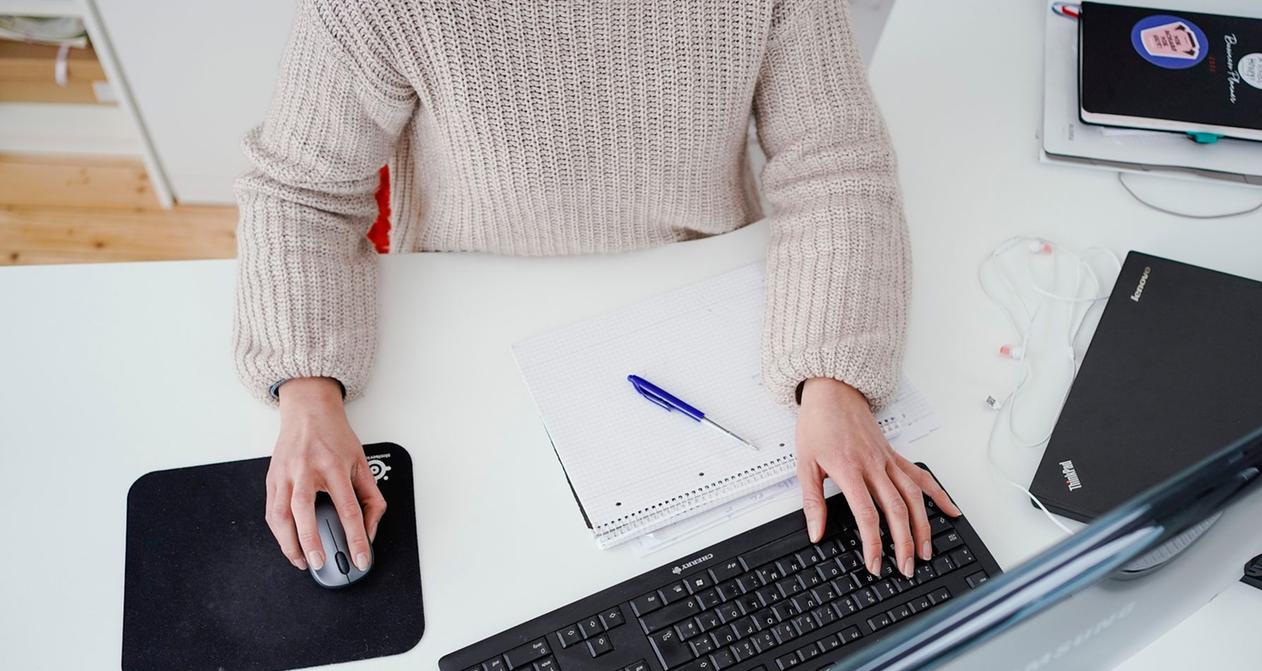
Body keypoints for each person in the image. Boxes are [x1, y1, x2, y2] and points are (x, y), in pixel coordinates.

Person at [234, 0, 961, 584]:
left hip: (700, 293)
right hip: (474, 316)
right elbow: (303, 193)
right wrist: (307, 393)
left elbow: (834, 163)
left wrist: (834, 381)